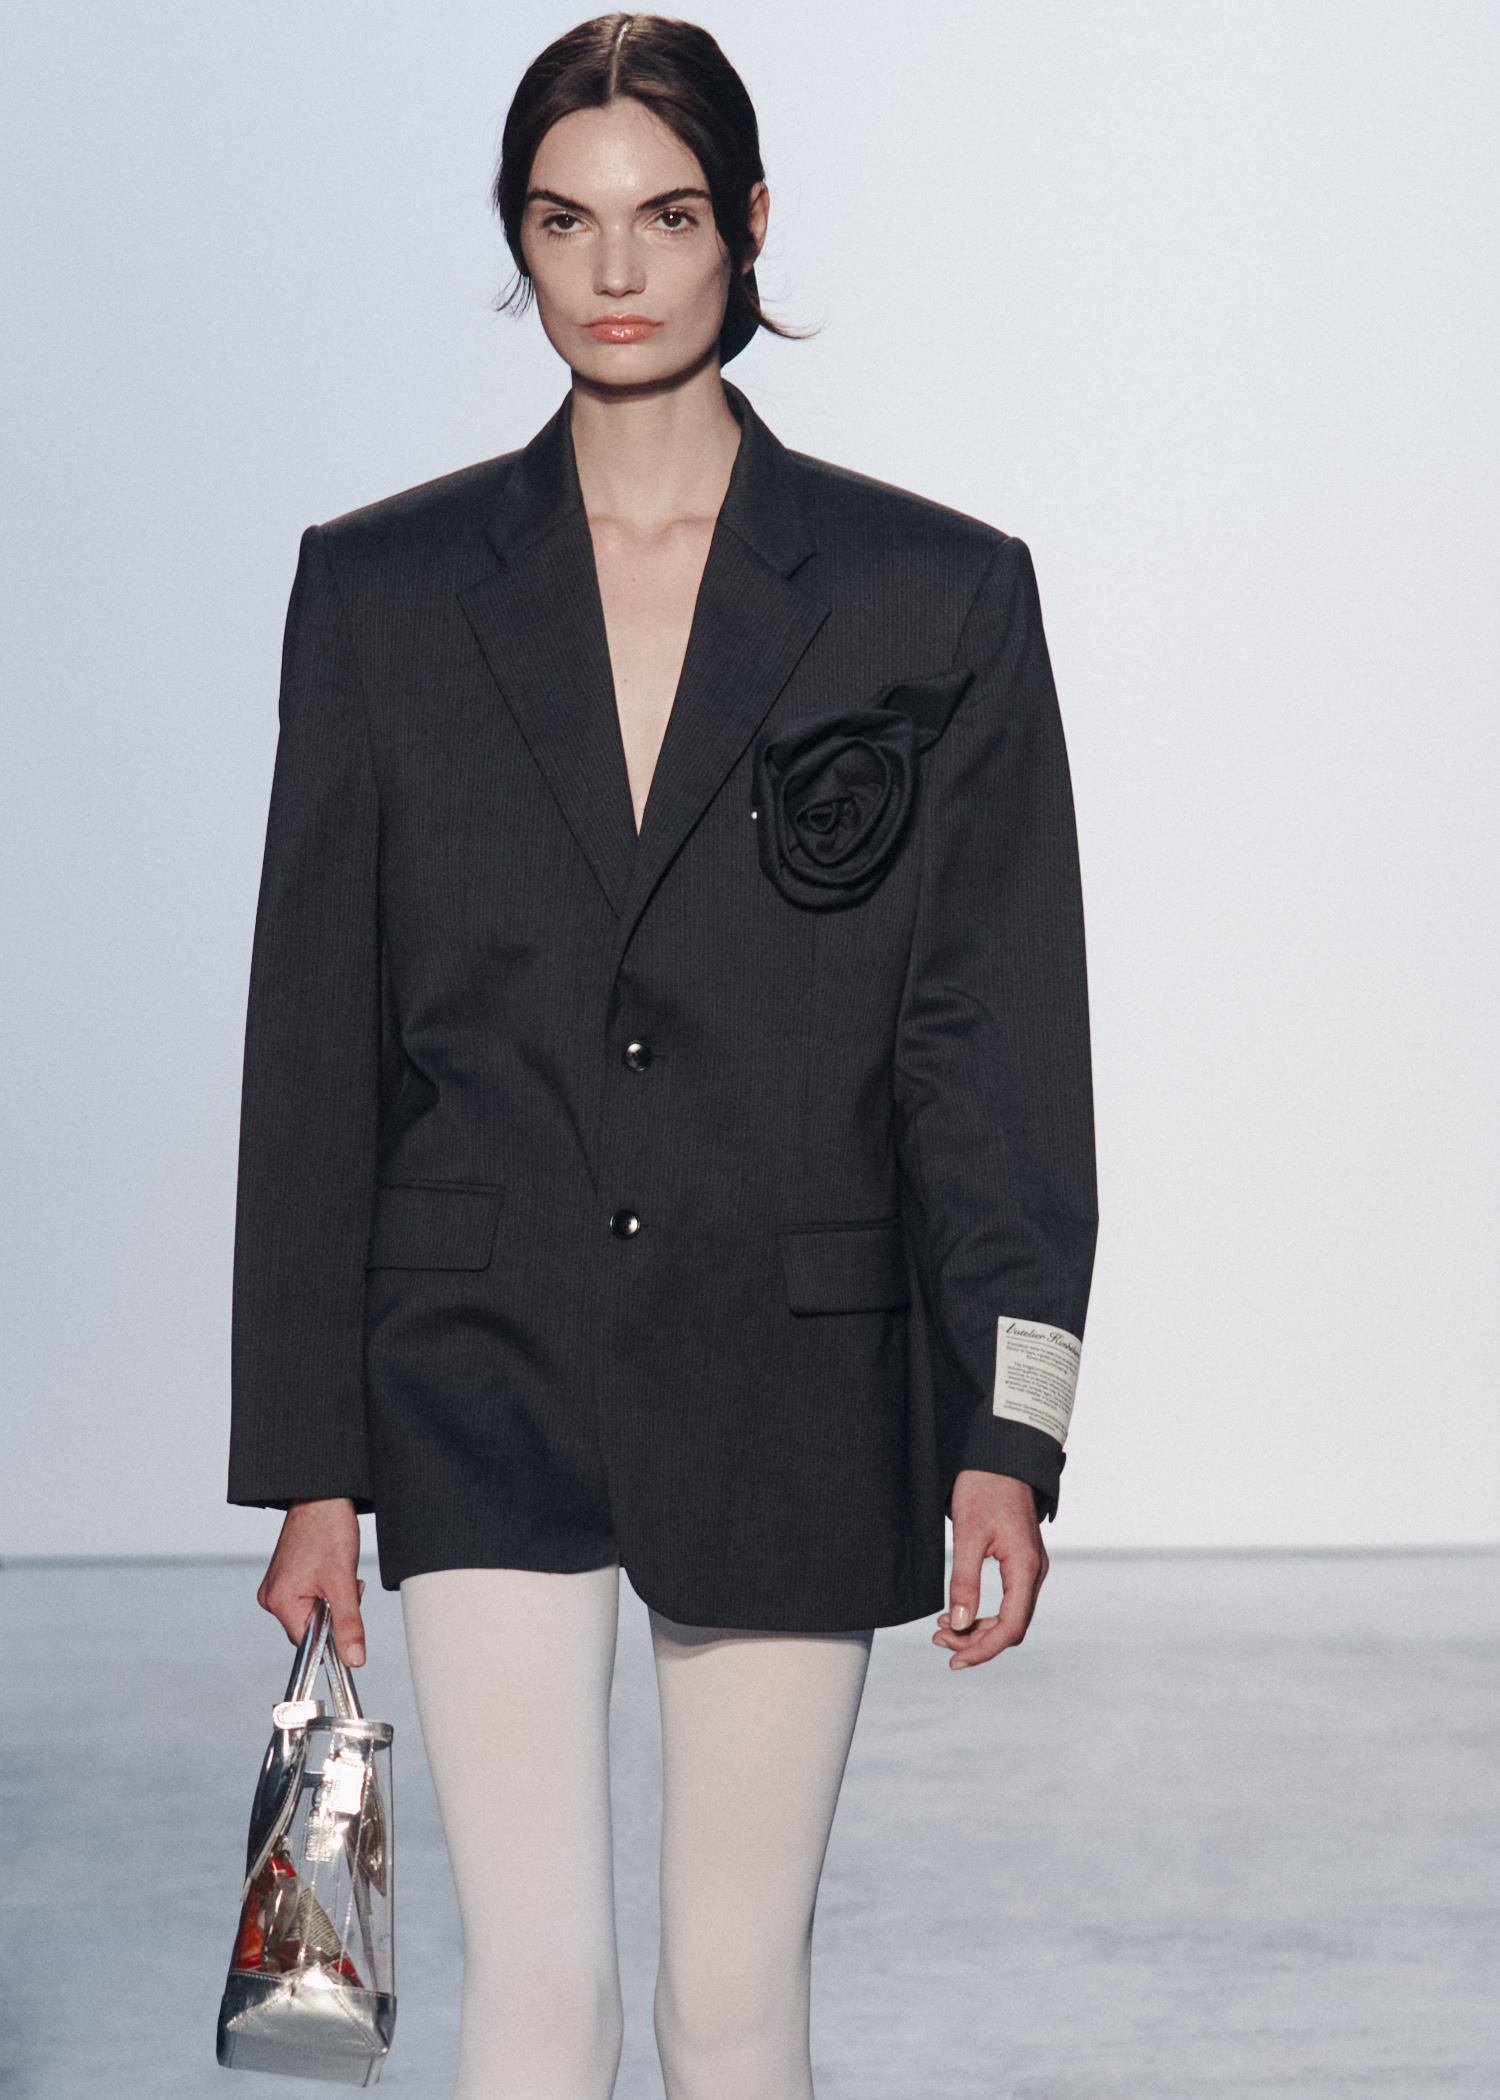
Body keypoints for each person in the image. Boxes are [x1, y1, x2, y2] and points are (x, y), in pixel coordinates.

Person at [231, 14, 1097, 2098]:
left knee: (732, 1993)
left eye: (669, 215)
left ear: (751, 225)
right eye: (565, 220)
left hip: (794, 1363)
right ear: (515, 242)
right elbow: (314, 1042)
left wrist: (1012, 1428)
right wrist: (311, 1459)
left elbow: (992, 1046)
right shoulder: (381, 593)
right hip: (473, 1355)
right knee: (534, 1995)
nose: (615, 269)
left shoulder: (933, 599)